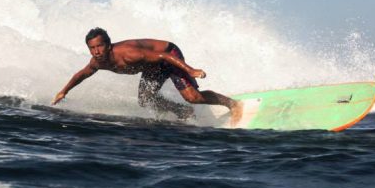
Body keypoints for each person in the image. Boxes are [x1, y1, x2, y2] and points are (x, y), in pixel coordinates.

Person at [52, 27, 243, 125]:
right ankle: (182, 112)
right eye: (92, 48)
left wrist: (190, 70)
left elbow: (163, 56)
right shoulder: (97, 62)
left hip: (169, 55)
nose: (96, 51)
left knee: (192, 97)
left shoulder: (128, 53)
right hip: (153, 66)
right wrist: (63, 92)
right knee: (145, 100)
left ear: (108, 44)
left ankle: (232, 104)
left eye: (100, 46)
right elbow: (81, 75)